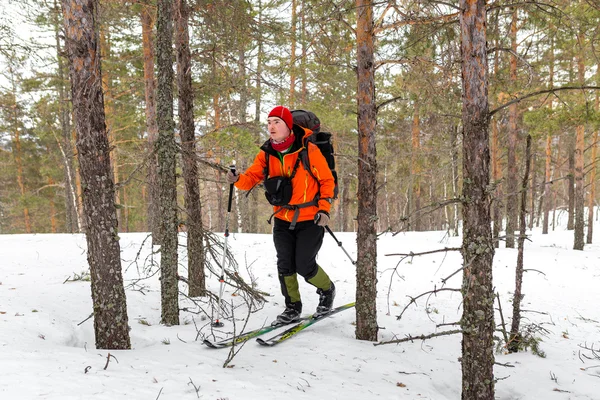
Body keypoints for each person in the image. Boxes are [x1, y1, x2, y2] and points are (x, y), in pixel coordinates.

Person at [226, 105, 336, 326]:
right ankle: (292, 307)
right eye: (269, 122)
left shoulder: (308, 151)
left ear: (288, 126)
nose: (271, 127)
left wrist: (324, 209)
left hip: (311, 219)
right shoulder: (267, 153)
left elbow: (327, 181)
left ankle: (327, 289)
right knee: (285, 264)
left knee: (304, 265)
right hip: (282, 218)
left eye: (277, 122)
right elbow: (250, 179)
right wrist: (236, 178)